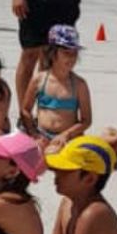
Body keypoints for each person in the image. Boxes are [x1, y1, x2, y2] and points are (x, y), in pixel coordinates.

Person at [23, 24, 92, 152]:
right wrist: (34, 134)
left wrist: (66, 134)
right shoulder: (39, 80)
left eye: (74, 53)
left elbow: (86, 120)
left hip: (68, 137)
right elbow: (26, 110)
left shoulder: (79, 84)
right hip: (41, 134)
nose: (71, 58)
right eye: (66, 53)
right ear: (52, 53)